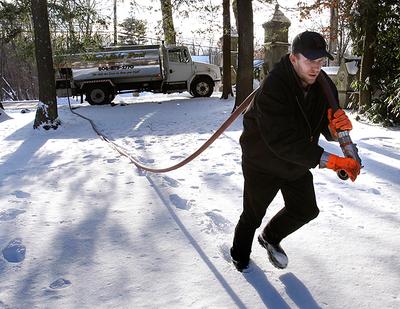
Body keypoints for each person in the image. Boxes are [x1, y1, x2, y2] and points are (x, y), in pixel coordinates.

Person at [230, 31, 361, 272]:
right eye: (310, 61)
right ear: (293, 59)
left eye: (321, 61)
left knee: (306, 210)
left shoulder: (324, 85)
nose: (316, 68)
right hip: (263, 162)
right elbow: (281, 141)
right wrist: (330, 161)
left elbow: (323, 123)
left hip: (296, 161)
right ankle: (240, 259)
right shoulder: (273, 87)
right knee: (252, 215)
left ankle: (270, 237)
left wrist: (333, 130)